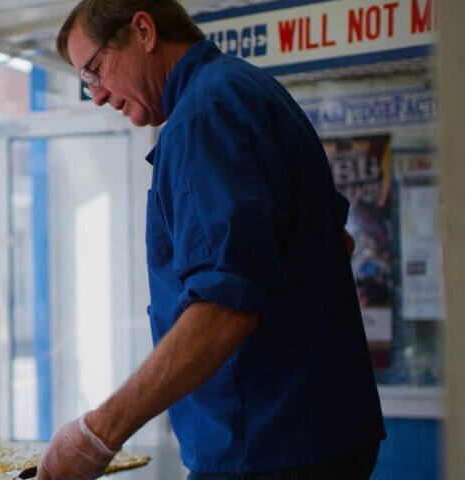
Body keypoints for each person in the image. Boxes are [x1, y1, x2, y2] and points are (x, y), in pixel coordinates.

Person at [38, 1, 385, 479]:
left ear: (143, 30)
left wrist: (98, 434)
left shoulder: (206, 114)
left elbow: (225, 307)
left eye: (94, 72)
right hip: (316, 432)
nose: (95, 96)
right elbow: (335, 246)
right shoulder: (247, 89)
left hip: (265, 443)